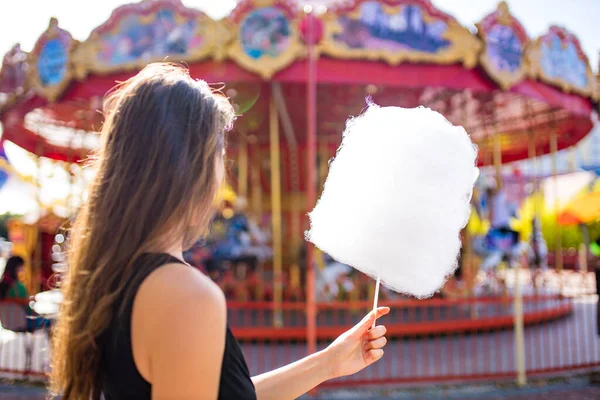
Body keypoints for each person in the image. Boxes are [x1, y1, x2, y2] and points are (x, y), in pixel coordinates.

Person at [50, 63, 389, 400]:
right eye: (219, 153)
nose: (222, 172)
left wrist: (328, 363)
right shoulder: (187, 296)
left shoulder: (113, 275)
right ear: (191, 166)